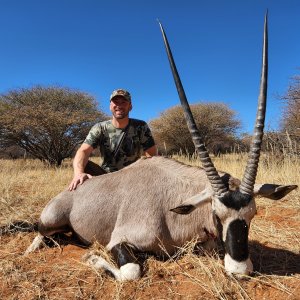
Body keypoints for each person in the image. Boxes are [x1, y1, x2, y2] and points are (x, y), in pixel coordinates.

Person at [68, 88, 157, 191]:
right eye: (115, 102)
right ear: (110, 106)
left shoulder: (141, 126)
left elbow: (152, 156)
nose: (119, 105)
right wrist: (79, 174)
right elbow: (83, 151)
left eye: (123, 102)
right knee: (84, 165)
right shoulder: (100, 128)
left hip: (133, 177)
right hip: (106, 177)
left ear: (130, 106)